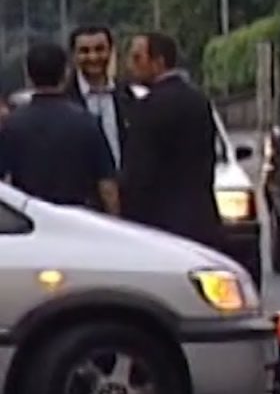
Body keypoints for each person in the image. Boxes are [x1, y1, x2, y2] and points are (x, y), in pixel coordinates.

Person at [121, 32, 223, 249]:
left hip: (161, 225)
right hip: (201, 217)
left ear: (158, 62)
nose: (130, 65)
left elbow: (139, 172)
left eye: (138, 58)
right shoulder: (198, 100)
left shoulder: (148, 108)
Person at [0, 42, 118, 214]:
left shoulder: (12, 125)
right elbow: (107, 185)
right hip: (80, 217)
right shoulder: (86, 122)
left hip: (32, 218)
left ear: (28, 75)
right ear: (66, 72)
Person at [65, 25, 135, 173]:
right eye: (84, 51)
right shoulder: (65, 100)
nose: (93, 57)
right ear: (73, 55)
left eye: (99, 49)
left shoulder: (128, 95)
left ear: (110, 51)